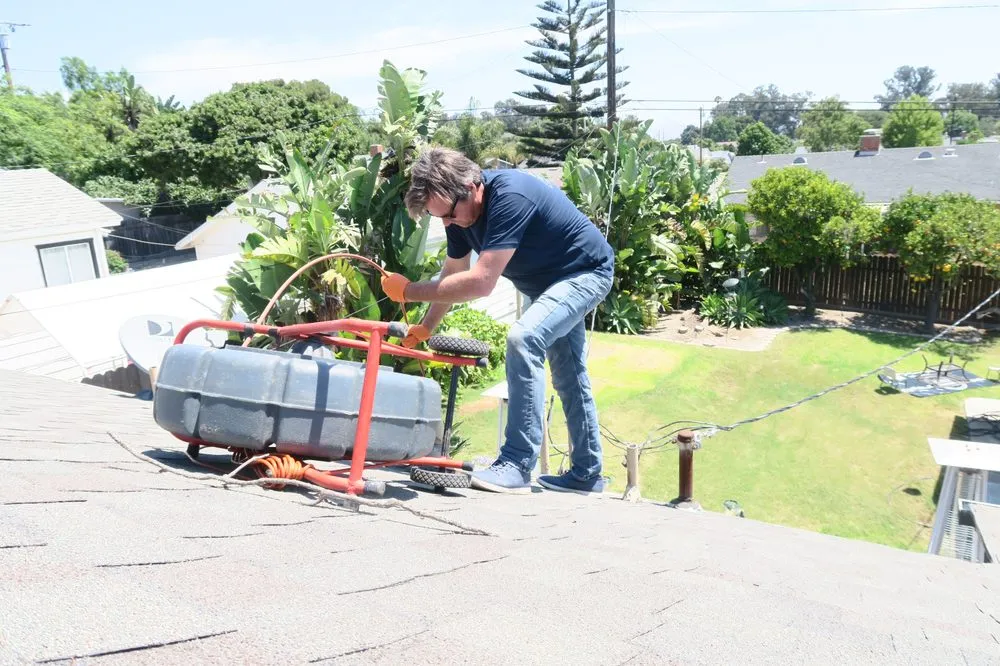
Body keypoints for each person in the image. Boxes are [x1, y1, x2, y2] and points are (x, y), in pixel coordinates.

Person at [380, 147, 614, 495]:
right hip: (546, 286)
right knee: (568, 373)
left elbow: (481, 282)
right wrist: (428, 327)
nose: (447, 223)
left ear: (472, 187)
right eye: (439, 217)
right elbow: (454, 272)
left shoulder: (510, 197)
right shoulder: (459, 214)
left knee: (524, 338)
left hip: (585, 273)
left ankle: (517, 463)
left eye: (448, 214)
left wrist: (409, 291)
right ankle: (587, 474)